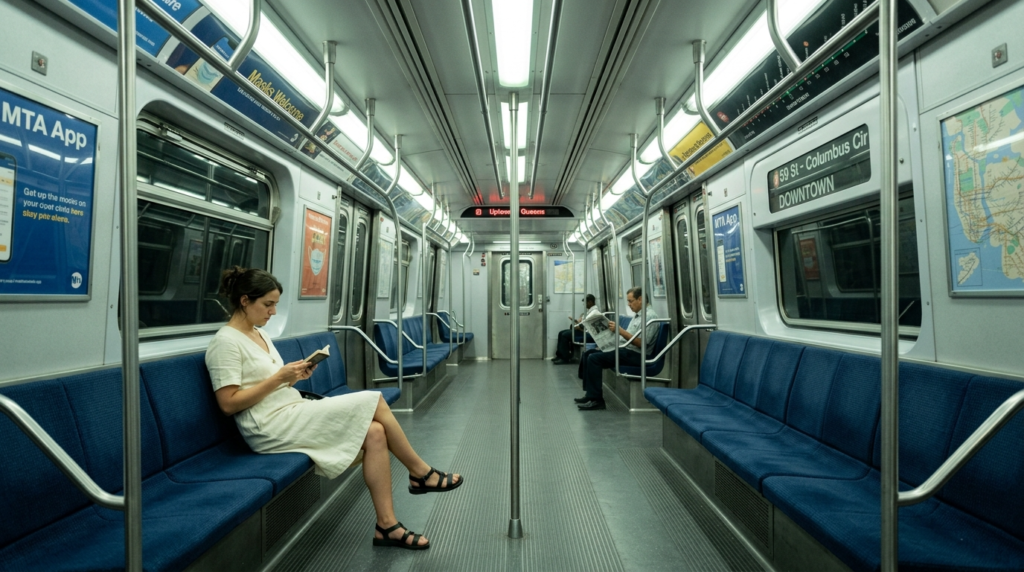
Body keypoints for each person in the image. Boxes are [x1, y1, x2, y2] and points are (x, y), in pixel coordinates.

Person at [205, 267, 463, 550]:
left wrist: (293, 377)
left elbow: (271, 383)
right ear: (245, 301)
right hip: (267, 425)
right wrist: (279, 378)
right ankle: (421, 473)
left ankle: (387, 526)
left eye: (275, 305)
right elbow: (228, 403)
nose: (273, 312)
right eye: (268, 304)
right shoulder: (225, 342)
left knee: (375, 433)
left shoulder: (260, 335)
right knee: (375, 399)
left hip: (290, 408)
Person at [575, 287, 660, 410]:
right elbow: (628, 337)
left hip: (637, 354)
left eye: (630, 301)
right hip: (626, 349)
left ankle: (597, 400)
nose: (628, 304)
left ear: (640, 299)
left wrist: (620, 331)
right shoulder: (638, 315)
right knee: (589, 353)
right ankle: (590, 394)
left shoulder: (649, 317)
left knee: (594, 359)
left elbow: (641, 343)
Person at [552, 294, 596, 364]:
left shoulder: (594, 312)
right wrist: (576, 321)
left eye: (585, 303)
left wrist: (579, 327)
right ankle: (559, 355)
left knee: (564, 335)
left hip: (587, 332)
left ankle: (564, 358)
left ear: (590, 302)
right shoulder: (589, 311)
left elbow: (587, 326)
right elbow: (583, 323)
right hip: (583, 329)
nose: (584, 305)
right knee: (561, 333)